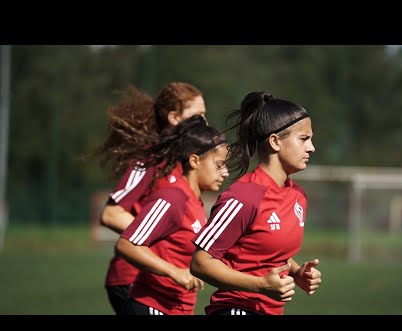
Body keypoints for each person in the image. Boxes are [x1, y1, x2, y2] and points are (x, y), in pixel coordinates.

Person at [190, 91, 322, 315]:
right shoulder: (244, 196)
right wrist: (260, 285)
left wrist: (297, 273)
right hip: (236, 309)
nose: (311, 148)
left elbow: (264, 251)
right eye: (304, 139)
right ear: (275, 141)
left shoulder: (297, 195)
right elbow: (201, 262)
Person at [96, 82, 207, 315]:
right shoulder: (151, 159)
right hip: (133, 280)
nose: (204, 122)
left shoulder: (186, 162)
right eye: (198, 115)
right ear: (174, 117)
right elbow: (111, 213)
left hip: (165, 284)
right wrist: (159, 234)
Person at [115, 115, 229, 315]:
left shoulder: (195, 201)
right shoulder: (173, 198)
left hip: (176, 308)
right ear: (194, 160)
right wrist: (173, 272)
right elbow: (127, 245)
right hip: (152, 306)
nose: (225, 173)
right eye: (219, 165)